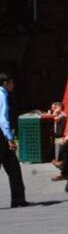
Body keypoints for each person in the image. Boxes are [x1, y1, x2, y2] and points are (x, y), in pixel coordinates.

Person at [0, 73, 27, 208]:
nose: (13, 85)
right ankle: (18, 199)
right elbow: (3, 118)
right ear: (5, 83)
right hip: (2, 137)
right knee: (14, 169)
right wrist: (10, 138)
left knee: (13, 168)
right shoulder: (2, 95)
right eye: (11, 82)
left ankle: (18, 199)